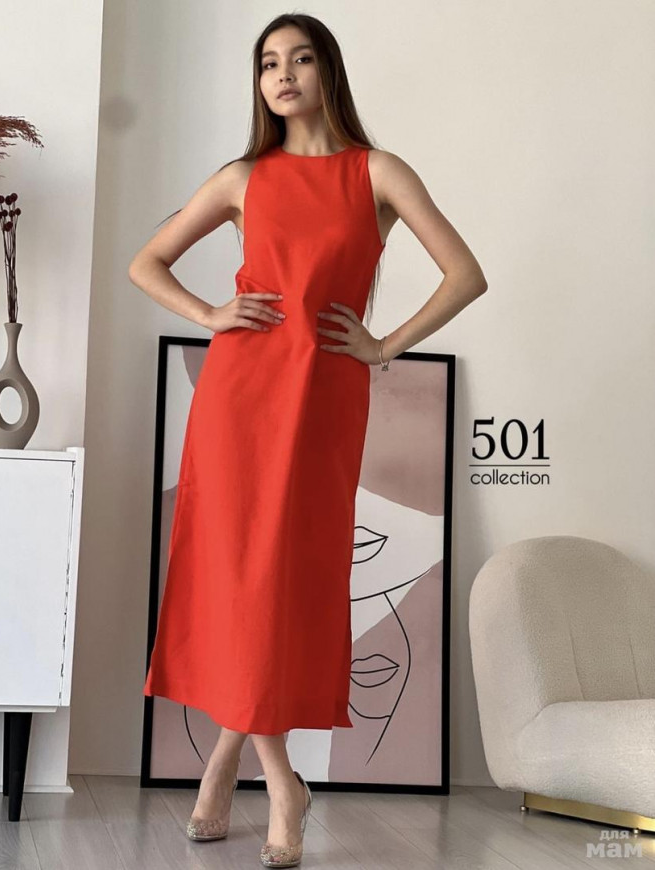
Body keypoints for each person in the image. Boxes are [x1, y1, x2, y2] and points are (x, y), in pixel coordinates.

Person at [128, 11, 487, 868]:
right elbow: (146, 263)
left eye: (298, 59)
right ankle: (281, 782)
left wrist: (384, 344)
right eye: (267, 64)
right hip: (238, 399)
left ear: (328, 70)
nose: (282, 75)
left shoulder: (378, 172)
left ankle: (224, 763)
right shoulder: (243, 177)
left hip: (323, 400)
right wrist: (210, 313)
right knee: (237, 579)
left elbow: (465, 273)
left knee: (283, 583)